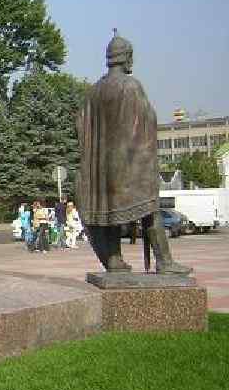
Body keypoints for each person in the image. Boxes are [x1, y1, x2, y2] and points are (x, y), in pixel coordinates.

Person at [76, 32, 190, 274]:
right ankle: (164, 261)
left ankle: (114, 259)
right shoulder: (131, 86)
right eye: (131, 56)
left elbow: (82, 128)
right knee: (150, 211)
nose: (132, 61)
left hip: (103, 169)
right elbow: (145, 123)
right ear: (125, 57)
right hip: (130, 164)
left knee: (110, 215)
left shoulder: (93, 92)